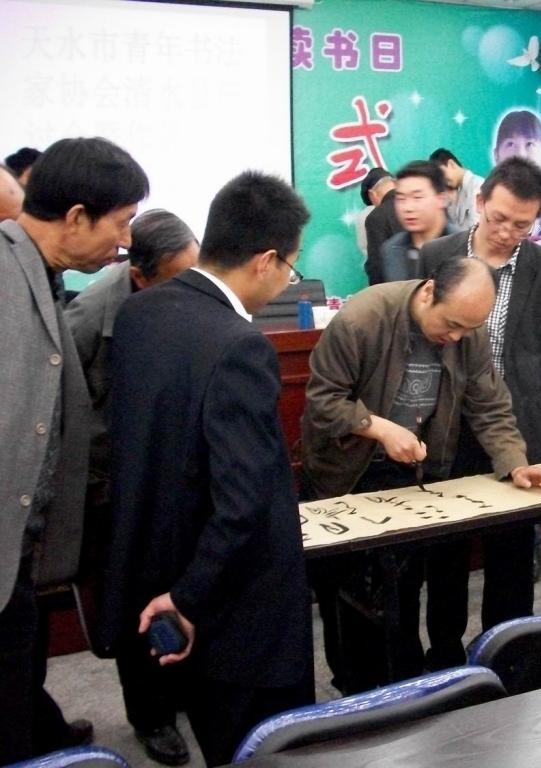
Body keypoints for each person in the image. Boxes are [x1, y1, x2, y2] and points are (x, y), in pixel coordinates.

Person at [100, 171, 314, 767]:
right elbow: (244, 503)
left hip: (157, 571)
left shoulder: (141, 313)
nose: (286, 281)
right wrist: (188, 598)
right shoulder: (239, 345)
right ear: (266, 261)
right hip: (234, 608)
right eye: (290, 267)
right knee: (263, 746)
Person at [302, 257, 541, 692]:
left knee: (403, 586)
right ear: (428, 292)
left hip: (413, 471)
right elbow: (323, 401)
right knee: (349, 593)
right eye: (451, 324)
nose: (456, 337)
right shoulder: (364, 319)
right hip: (347, 472)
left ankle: (404, 680)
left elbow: (490, 405)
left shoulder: (468, 333)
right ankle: (355, 688)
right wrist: (380, 429)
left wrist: (515, 462)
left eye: (467, 329)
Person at [0, 137, 148, 764]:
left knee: (19, 665)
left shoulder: (39, 272)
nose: (126, 242)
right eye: (122, 222)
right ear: (77, 216)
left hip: (19, 551)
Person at [65, 210, 198, 766]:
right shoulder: (92, 313)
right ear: (141, 275)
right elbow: (62, 409)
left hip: (170, 472)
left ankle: (182, 688)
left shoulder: (179, 298)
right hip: (111, 486)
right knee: (134, 601)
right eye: (178, 277)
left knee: (180, 587)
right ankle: (151, 716)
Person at [421, 156, 541, 631]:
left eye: (522, 225)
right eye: (499, 218)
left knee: (510, 557)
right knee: (445, 554)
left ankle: (508, 653)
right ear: (480, 201)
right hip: (447, 428)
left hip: (515, 431)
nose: (508, 232)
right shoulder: (437, 256)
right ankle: (444, 652)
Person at [492, 109, 541, 250]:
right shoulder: (480, 226)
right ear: (496, 155)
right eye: (510, 144)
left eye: (530, 144)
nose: (521, 154)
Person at [379, 160, 457, 282]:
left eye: (417, 197)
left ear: (441, 199)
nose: (408, 208)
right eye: (401, 198)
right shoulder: (391, 249)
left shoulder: (463, 245)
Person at [361, 167, 401, 285]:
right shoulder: (417, 204)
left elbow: (377, 265)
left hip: (400, 289)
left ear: (372, 194)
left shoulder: (377, 217)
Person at [429, 148, 483, 231]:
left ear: (451, 164)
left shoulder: (478, 187)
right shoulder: (456, 191)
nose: (442, 180)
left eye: (442, 175)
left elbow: (476, 229)